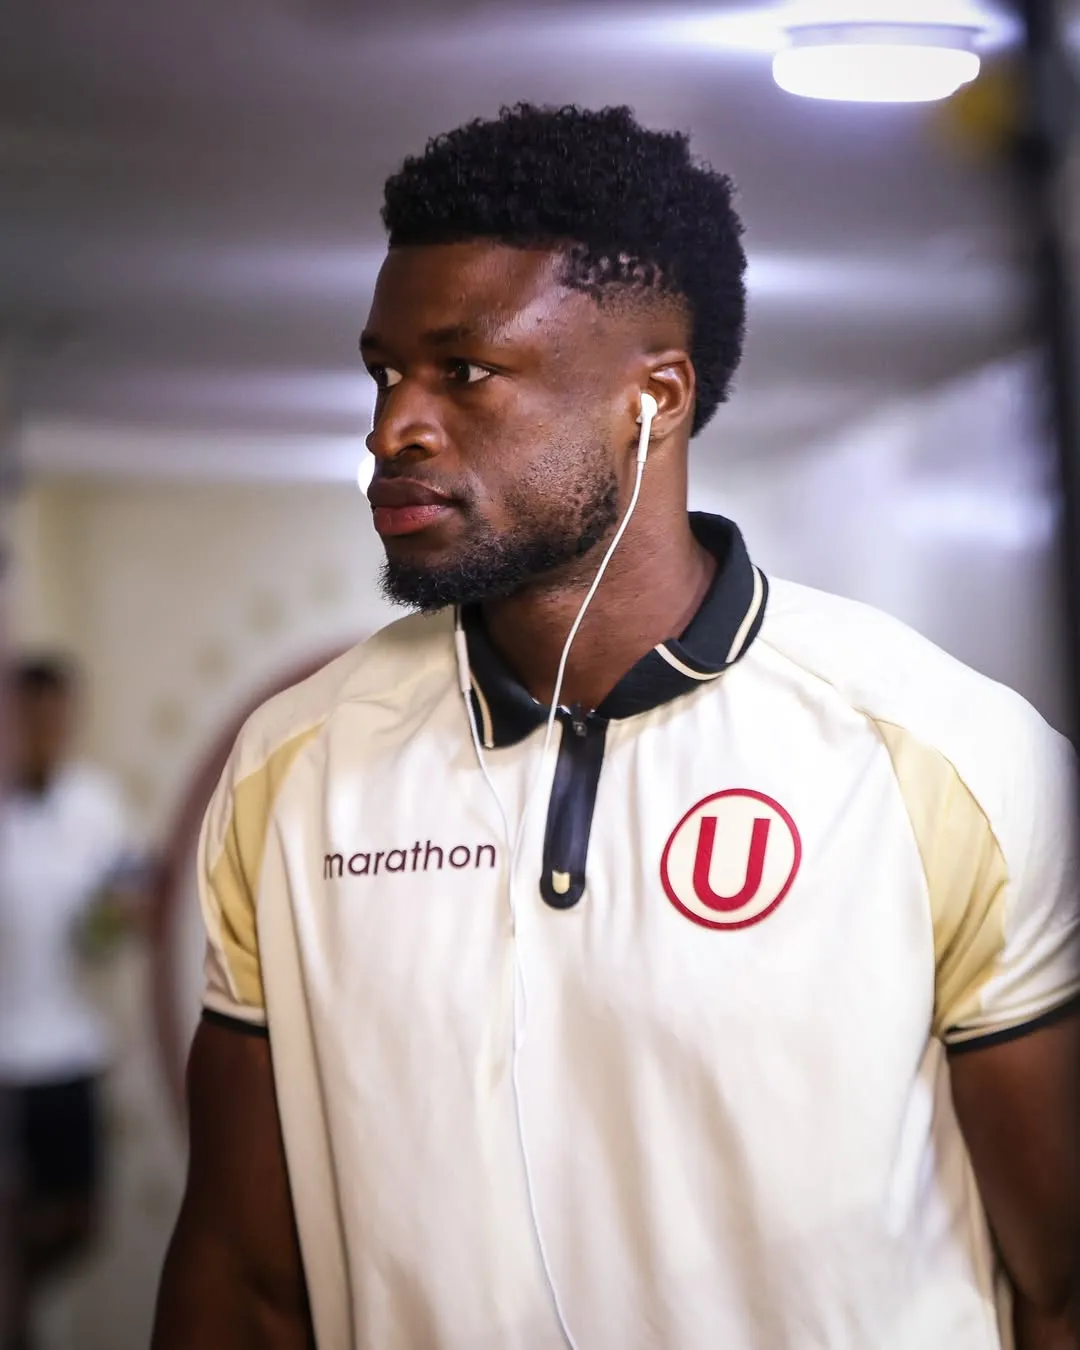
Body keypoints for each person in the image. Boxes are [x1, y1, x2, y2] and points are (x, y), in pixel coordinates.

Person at [152, 105, 1079, 1350]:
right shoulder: (295, 769)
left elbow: (1060, 1281)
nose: (392, 429)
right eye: (384, 371)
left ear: (655, 399)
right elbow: (239, 1278)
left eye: (462, 371)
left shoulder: (942, 757)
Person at [0, 657, 138, 1350]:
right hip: (6, 1059)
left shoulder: (95, 804)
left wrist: (121, 914)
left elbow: (113, 920)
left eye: (58, 716)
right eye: (33, 715)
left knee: (79, 1222)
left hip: (72, 1050)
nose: (47, 730)